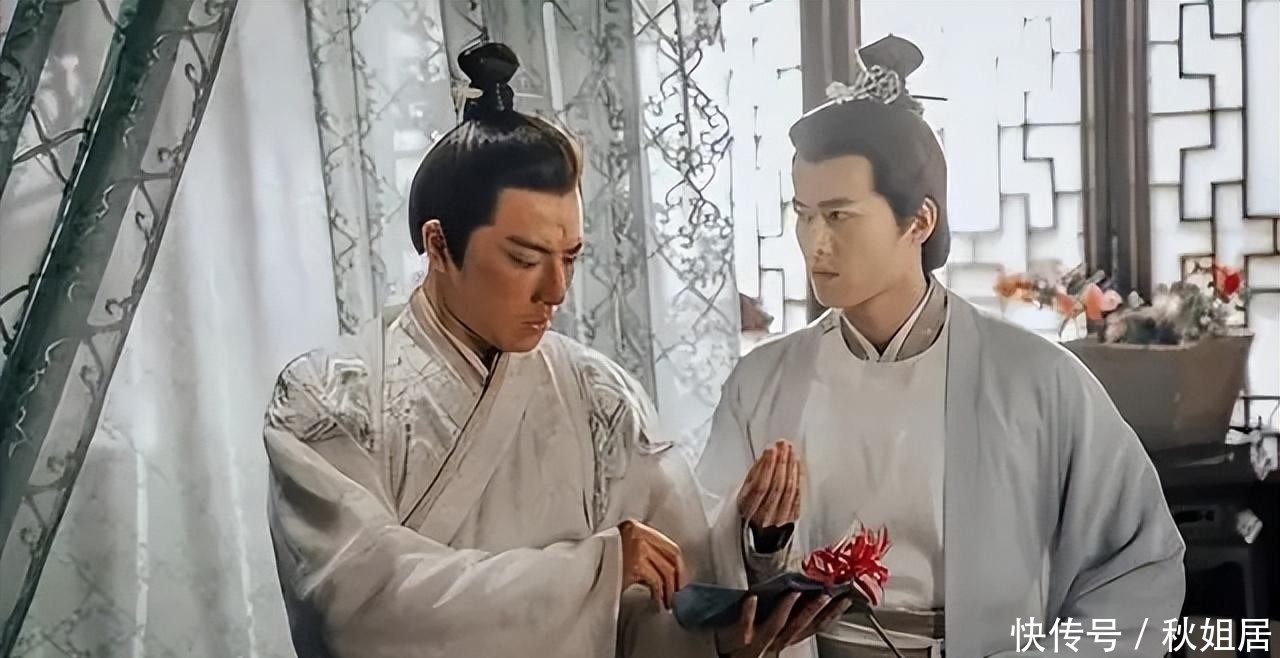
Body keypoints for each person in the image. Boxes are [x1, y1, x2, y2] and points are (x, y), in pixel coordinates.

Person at [262, 42, 834, 658]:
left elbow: (671, 599)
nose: (556, 290)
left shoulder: (599, 397)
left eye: (570, 258)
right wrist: (596, 570)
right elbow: (356, 609)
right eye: (524, 258)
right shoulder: (330, 399)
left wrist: (751, 555)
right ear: (439, 245)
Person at [697, 36, 1185, 658]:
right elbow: (702, 566)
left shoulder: (1037, 380)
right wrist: (761, 545)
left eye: (839, 215)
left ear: (919, 221)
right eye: (804, 213)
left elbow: (1137, 563)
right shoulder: (761, 382)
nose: (814, 242)